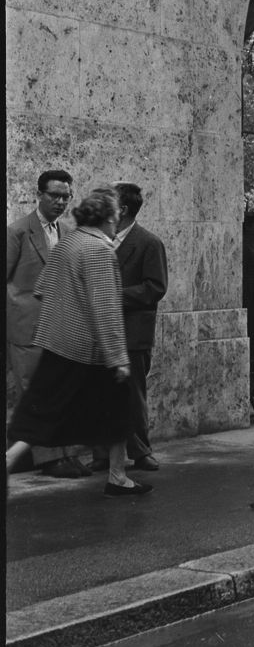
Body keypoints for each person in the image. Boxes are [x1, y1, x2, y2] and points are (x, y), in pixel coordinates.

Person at [6, 188, 152, 497]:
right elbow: (106, 307)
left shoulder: (68, 242)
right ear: (109, 218)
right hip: (88, 350)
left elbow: (41, 288)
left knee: (42, 411)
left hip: (56, 342)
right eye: (115, 217)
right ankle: (117, 477)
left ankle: (116, 475)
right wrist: (118, 357)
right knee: (120, 411)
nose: (117, 222)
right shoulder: (99, 250)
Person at [6, 169, 89, 478]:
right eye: (54, 195)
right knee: (34, 394)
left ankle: (67, 454)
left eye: (66, 196)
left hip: (60, 328)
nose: (60, 202)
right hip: (26, 329)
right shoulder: (17, 232)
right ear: (37, 195)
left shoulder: (68, 232)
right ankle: (49, 459)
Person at [91, 183, 168, 473]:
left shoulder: (149, 242)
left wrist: (113, 293)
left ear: (122, 209)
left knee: (132, 396)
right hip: (101, 330)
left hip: (132, 333)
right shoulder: (99, 239)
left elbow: (155, 287)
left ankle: (141, 451)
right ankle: (101, 452)